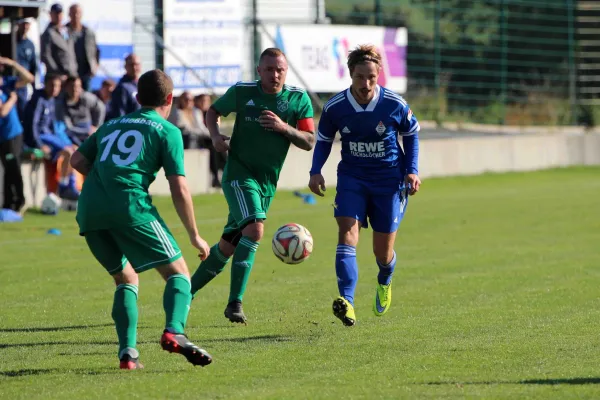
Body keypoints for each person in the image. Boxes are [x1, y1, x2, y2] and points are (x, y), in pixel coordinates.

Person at [70, 69, 213, 370]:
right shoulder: (166, 130)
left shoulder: (111, 125)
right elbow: (179, 187)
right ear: (170, 99)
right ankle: (175, 331)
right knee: (179, 274)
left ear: (137, 98)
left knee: (126, 277)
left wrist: (105, 182)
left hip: (90, 209)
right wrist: (195, 235)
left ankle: (128, 355)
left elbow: (77, 161)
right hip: (130, 206)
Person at [190, 48, 315, 324]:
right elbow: (213, 111)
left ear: (286, 71)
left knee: (227, 247)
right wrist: (214, 136)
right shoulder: (243, 92)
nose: (275, 75)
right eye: (269, 69)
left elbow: (309, 140)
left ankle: (183, 293)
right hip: (238, 175)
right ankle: (235, 304)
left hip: (266, 183)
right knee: (255, 229)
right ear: (259, 71)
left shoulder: (297, 99)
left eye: (279, 69)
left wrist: (284, 128)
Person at [308, 45, 421, 327]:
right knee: (347, 233)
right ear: (350, 74)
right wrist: (315, 171)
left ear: (379, 75)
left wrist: (412, 171)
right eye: (360, 77)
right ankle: (347, 301)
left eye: (371, 77)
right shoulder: (336, 107)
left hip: (388, 182)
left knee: (382, 254)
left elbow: (411, 134)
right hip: (352, 178)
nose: (366, 84)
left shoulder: (394, 104)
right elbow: (323, 140)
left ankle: (385, 279)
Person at [23, 74, 79, 200]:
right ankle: (64, 187)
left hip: (48, 135)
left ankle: (70, 185)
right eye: (52, 85)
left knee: (74, 150)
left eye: (57, 86)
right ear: (46, 85)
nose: (54, 88)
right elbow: (33, 124)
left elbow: (52, 126)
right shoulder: (38, 99)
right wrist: (39, 144)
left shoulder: (51, 100)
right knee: (68, 152)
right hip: (41, 137)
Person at [0, 56, 35, 211]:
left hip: (13, 133)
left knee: (14, 167)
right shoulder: (8, 91)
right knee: (9, 169)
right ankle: (9, 203)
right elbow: (2, 111)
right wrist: (12, 99)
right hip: (3, 135)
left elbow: (29, 78)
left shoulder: (8, 83)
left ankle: (19, 201)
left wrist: (13, 63)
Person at [57, 76, 105, 145]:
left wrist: (96, 126)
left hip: (88, 128)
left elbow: (101, 107)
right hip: (73, 133)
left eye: (77, 86)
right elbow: (67, 128)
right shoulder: (61, 103)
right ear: (66, 87)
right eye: (72, 86)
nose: (75, 89)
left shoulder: (87, 98)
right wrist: (86, 132)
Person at [194, 93, 226, 188]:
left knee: (219, 147)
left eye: (207, 101)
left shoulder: (211, 113)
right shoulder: (196, 112)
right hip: (200, 139)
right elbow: (200, 129)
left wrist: (216, 135)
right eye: (203, 100)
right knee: (214, 147)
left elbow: (217, 126)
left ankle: (221, 174)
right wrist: (214, 135)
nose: (205, 103)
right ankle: (217, 176)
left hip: (208, 139)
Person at [66, 3, 98, 91]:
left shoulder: (88, 32)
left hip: (86, 73)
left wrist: (95, 66)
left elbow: (96, 50)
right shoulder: (63, 31)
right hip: (70, 73)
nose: (75, 16)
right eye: (73, 13)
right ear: (69, 14)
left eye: (78, 13)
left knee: (86, 97)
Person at [41, 3, 78, 79]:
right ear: (50, 14)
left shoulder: (65, 30)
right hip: (58, 77)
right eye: (55, 13)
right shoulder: (48, 33)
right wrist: (57, 72)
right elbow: (46, 55)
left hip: (71, 73)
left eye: (60, 13)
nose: (58, 16)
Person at [15, 18, 37, 121]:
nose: (25, 27)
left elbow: (33, 66)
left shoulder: (30, 44)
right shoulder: (10, 41)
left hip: (23, 84)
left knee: (22, 111)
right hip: (10, 82)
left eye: (27, 24)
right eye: (23, 24)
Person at [107, 54, 141, 119]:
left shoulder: (143, 85)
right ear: (125, 66)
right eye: (131, 65)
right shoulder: (122, 87)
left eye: (136, 64)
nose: (134, 67)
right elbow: (119, 115)